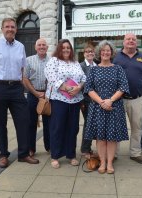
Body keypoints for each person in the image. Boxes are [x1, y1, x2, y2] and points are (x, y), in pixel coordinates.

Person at [0, 18, 39, 168]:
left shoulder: (20, 46)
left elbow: (22, 68)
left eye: (13, 27)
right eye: (7, 27)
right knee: (1, 123)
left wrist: (20, 84)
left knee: (23, 121)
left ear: (16, 29)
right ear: (2, 29)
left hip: (16, 89)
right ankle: (4, 155)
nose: (10, 29)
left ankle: (23, 154)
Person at [84, 40, 129, 174]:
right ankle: (102, 162)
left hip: (114, 107)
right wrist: (102, 102)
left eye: (108, 50)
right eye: (103, 50)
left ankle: (110, 163)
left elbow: (123, 87)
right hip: (97, 107)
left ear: (112, 52)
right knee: (100, 138)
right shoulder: (93, 69)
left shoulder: (118, 69)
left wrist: (110, 101)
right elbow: (89, 88)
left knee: (112, 137)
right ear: (99, 52)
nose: (105, 52)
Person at [44, 39, 86, 169]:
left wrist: (79, 87)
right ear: (59, 49)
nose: (66, 50)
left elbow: (83, 77)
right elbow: (51, 77)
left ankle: (71, 155)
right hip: (59, 100)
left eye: (68, 47)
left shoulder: (75, 63)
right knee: (57, 127)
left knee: (73, 128)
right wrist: (67, 88)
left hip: (75, 100)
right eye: (63, 47)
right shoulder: (54, 61)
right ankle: (55, 156)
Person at [113, 33, 142, 164]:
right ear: (123, 42)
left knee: (137, 127)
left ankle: (135, 153)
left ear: (136, 43)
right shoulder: (115, 57)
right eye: (128, 39)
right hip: (118, 99)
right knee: (116, 126)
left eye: (133, 40)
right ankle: (114, 153)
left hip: (136, 99)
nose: (131, 41)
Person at [23, 38, 50, 156]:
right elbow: (25, 78)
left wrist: (46, 93)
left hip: (48, 95)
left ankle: (49, 147)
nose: (42, 47)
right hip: (33, 95)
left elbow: (55, 79)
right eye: (39, 45)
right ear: (35, 47)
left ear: (47, 47)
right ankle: (31, 148)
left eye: (44, 45)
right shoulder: (28, 60)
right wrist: (35, 93)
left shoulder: (52, 61)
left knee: (49, 123)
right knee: (31, 123)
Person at [79, 44, 97, 158]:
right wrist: (81, 102)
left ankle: (88, 148)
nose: (89, 53)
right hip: (85, 100)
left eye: (91, 51)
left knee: (92, 124)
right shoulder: (80, 66)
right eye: (87, 51)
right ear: (84, 53)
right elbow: (78, 84)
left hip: (96, 100)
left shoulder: (97, 65)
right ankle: (85, 149)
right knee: (88, 124)